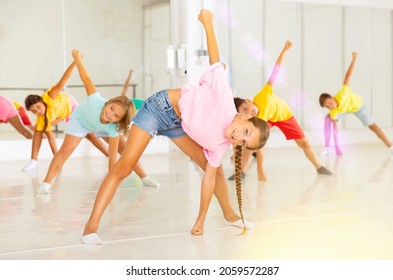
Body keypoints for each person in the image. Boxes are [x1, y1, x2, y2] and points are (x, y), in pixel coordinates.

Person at [81, 9, 270, 245]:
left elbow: (208, 180)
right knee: (125, 167)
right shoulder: (223, 97)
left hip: (177, 124)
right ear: (244, 117)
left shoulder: (221, 144)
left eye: (243, 142)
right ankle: (91, 225)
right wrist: (208, 24)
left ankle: (229, 214)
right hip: (158, 108)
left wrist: (200, 220)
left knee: (216, 170)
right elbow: (215, 60)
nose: (238, 137)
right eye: (245, 131)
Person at [37, 50, 159, 194]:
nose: (110, 114)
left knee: (125, 149)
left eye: (116, 115)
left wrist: (110, 181)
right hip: (81, 120)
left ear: (118, 120)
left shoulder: (113, 127)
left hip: (101, 127)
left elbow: (112, 156)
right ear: (109, 102)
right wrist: (77, 59)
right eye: (112, 108)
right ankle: (46, 183)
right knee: (66, 151)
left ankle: (144, 177)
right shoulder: (95, 100)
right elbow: (86, 79)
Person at [229, 40, 332, 181]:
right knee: (251, 143)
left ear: (249, 100)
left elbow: (275, 72)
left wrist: (284, 50)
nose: (249, 112)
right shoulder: (253, 120)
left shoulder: (262, 95)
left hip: (284, 116)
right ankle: (242, 172)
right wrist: (260, 170)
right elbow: (260, 146)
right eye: (244, 112)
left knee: (304, 143)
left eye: (247, 108)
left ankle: (319, 166)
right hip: (268, 120)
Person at [22, 61, 108, 171]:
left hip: (71, 107)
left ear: (41, 101)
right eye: (34, 111)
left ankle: (108, 155)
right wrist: (57, 160)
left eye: (38, 107)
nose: (38, 111)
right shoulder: (41, 118)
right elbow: (51, 138)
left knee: (90, 135)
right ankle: (33, 161)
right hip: (62, 114)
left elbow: (63, 81)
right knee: (38, 131)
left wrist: (75, 62)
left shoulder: (50, 96)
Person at [319, 52, 393, 156]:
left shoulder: (343, 93)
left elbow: (348, 75)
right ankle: (328, 149)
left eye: (330, 103)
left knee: (374, 127)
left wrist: (354, 59)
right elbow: (335, 129)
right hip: (345, 110)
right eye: (327, 106)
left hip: (359, 107)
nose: (330, 107)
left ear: (332, 97)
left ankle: (391, 147)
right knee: (327, 118)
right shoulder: (333, 110)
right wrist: (337, 147)